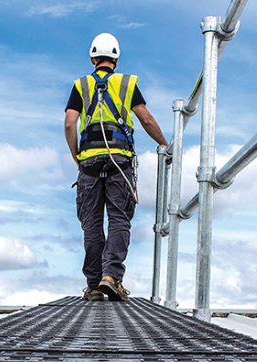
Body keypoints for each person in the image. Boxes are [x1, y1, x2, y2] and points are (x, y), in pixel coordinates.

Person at [64, 32, 168, 302]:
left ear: (92, 57)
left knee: (92, 224)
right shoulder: (127, 83)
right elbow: (146, 119)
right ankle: (111, 276)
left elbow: (69, 123)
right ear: (116, 59)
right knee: (119, 218)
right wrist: (166, 144)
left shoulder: (81, 85)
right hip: (119, 160)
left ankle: (95, 285)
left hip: (88, 161)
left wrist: (77, 156)